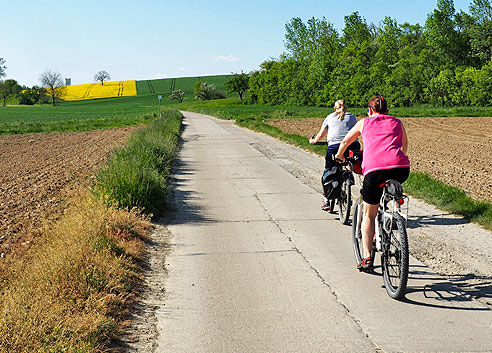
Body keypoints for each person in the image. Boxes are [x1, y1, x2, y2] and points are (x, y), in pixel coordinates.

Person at [335, 95, 410, 270]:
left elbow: (346, 141)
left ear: (370, 111)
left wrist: (339, 156)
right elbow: (404, 144)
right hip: (401, 169)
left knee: (369, 215)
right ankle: (392, 215)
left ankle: (367, 258)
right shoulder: (397, 122)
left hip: (375, 171)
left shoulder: (364, 123)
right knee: (388, 191)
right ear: (387, 111)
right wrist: (398, 158)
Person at [309, 99, 360, 211]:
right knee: (348, 160)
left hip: (335, 147)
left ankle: (326, 200)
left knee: (329, 169)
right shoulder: (352, 117)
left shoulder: (329, 117)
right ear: (346, 107)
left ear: (334, 108)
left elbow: (321, 135)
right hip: (353, 145)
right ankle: (349, 173)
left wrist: (313, 141)